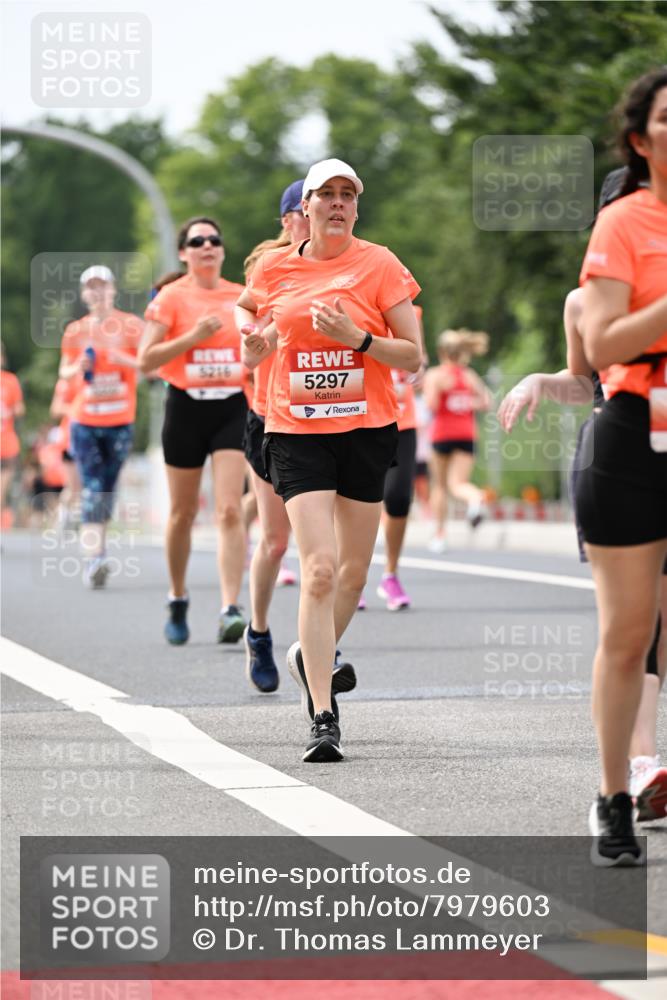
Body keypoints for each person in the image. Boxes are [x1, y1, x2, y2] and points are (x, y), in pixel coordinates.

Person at [236, 158, 421, 762]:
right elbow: (248, 312)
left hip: (366, 429)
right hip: (296, 431)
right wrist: (254, 341)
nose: (338, 203)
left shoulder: (381, 264)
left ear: (357, 208)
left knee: (352, 575)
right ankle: (322, 713)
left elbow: (412, 355)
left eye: (348, 195)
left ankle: (308, 654)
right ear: (306, 207)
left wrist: (357, 339)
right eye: (326, 194)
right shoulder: (274, 267)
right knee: (317, 569)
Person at [499, 279, 667, 824]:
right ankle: (639, 766)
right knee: (638, 627)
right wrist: (538, 382)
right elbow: (585, 382)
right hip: (622, 458)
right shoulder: (582, 301)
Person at [575, 68, 667, 865]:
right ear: (641, 139)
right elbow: (600, 341)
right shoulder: (624, 222)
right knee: (629, 632)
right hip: (636, 431)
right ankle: (613, 796)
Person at [140, 218, 249, 645]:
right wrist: (193, 336)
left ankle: (230, 608)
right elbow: (147, 360)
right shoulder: (172, 297)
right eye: (197, 240)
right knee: (182, 513)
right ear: (183, 253)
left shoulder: (241, 296)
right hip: (185, 407)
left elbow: (259, 348)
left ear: (222, 250)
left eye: (214, 240)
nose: (207, 246)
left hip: (232, 406)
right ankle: (178, 595)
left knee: (230, 510)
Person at [58, 266, 142, 588]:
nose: (97, 292)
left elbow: (151, 367)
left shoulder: (132, 326)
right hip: (85, 421)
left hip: (120, 421)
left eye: (102, 285)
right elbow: (64, 371)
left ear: (113, 290)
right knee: (92, 487)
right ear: (84, 294)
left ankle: (98, 549)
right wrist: (77, 367)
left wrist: (124, 360)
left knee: (107, 487)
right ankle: (95, 558)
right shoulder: (75, 331)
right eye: (91, 287)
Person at [423, 329, 491, 552]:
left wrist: (444, 394)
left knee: (440, 486)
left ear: (441, 351)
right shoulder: (468, 375)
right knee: (458, 483)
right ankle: (475, 498)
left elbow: (431, 405)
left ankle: (440, 535)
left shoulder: (435, 375)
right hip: (465, 434)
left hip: (442, 434)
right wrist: (466, 402)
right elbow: (487, 402)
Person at [50, 375, 81, 533]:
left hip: (90, 439)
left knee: (82, 486)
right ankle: (61, 520)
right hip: (70, 440)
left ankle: (75, 520)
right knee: (72, 486)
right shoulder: (66, 381)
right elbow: (55, 409)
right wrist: (77, 408)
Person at [0, 343, 24, 529]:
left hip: (6, 442)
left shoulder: (10, 381)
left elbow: (19, 409)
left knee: (3, 484)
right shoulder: (10, 381)